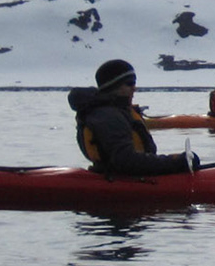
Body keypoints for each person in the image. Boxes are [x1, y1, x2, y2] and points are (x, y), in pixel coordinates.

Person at [68, 59, 197, 177]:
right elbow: (126, 161)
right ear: (113, 87)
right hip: (121, 178)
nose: (134, 88)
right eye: (129, 84)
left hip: (126, 175)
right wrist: (176, 162)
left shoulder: (116, 111)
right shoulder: (107, 116)